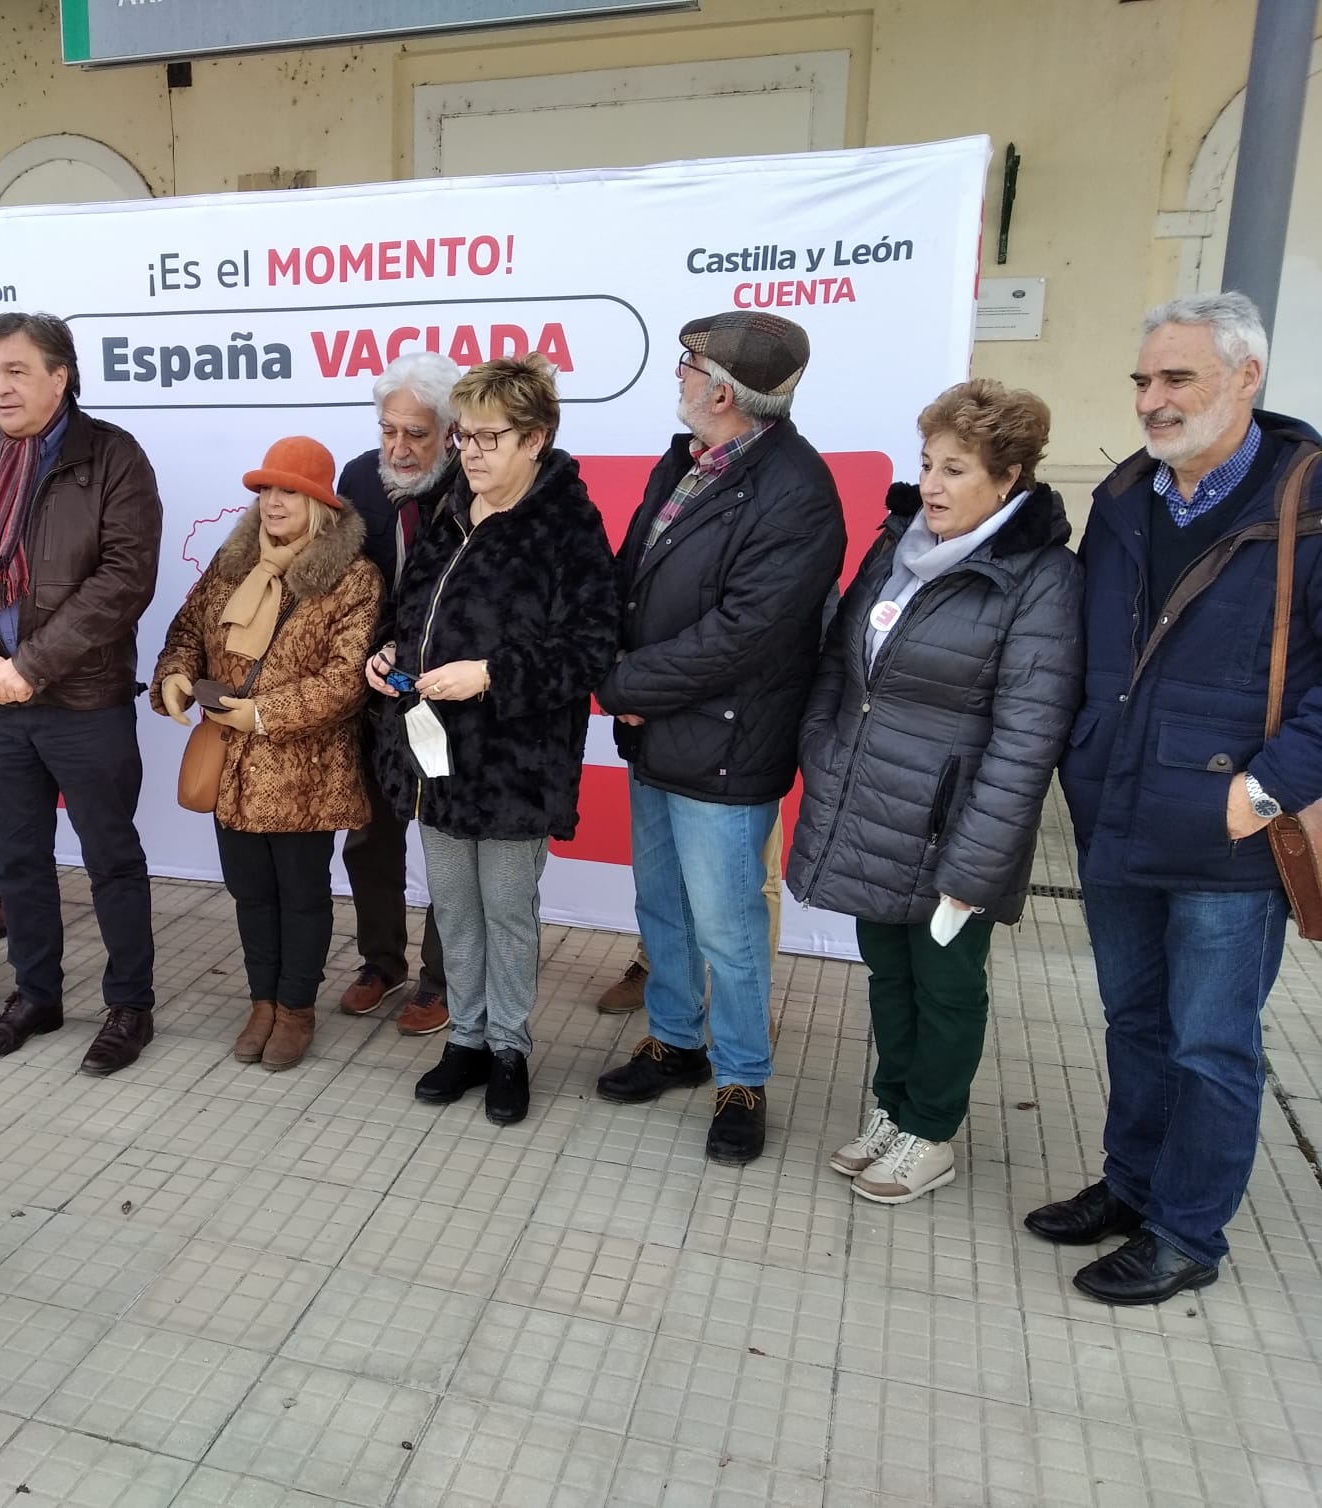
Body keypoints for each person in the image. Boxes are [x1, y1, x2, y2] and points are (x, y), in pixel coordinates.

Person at [1034, 291, 1322, 1304]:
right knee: (1134, 1017)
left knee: (1211, 1037)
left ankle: (1187, 1228)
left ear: (1246, 378)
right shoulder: (1127, 498)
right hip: (1118, 804)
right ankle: (1131, 1183)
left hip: (1227, 827)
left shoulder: (1308, 503)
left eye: (1178, 379)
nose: (1154, 400)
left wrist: (1271, 786)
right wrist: (1077, 750)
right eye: (1143, 381)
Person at [789, 380, 1082, 1204]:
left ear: (1009, 477)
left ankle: (932, 1130)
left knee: (947, 984)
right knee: (888, 971)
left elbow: (1030, 735)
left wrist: (980, 853)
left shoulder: (1042, 578)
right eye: (928, 464)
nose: (933, 485)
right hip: (872, 805)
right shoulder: (899, 544)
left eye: (956, 469)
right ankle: (895, 1108)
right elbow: (840, 662)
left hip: (955, 823)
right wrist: (824, 743)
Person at [594, 311, 845, 1165]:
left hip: (727, 744)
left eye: (688, 365)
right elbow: (634, 582)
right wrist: (615, 666)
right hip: (660, 730)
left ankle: (741, 1077)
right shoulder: (689, 464)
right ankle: (675, 1040)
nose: (678, 377)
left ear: (725, 390)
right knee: (660, 905)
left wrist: (624, 685)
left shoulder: (798, 492)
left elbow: (745, 635)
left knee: (729, 928)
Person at [367, 354, 619, 1127]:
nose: (470, 451)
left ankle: (508, 1047)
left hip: (515, 760)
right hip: (435, 753)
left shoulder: (566, 526)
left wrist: (492, 675)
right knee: (454, 907)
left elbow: (591, 647)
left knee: (506, 908)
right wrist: (387, 655)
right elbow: (414, 615)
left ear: (536, 437)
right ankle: (466, 1041)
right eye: (465, 437)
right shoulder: (448, 512)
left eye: (489, 437)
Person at [0, 311, 164, 1077]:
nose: (0, 387)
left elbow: (125, 578)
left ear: (61, 376)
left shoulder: (113, 457)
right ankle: (35, 994)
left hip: (82, 700)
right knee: (17, 860)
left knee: (111, 859)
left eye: (17, 371)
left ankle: (129, 1004)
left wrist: (32, 663)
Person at [152, 438, 383, 1070]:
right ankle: (262, 1002)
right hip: (232, 767)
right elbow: (185, 635)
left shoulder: (353, 579)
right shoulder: (232, 565)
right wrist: (175, 677)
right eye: (266, 491)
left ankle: (296, 1009)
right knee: (249, 891)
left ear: (321, 505)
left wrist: (263, 713)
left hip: (303, 771)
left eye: (289, 491)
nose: (274, 502)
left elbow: (345, 680)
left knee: (302, 895)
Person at [334, 352, 457, 1034]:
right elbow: (347, 584)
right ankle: (381, 961)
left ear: (450, 431)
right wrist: (371, 649)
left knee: (446, 840)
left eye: (416, 433)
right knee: (370, 836)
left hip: (448, 694)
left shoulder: (475, 482)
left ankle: (442, 978)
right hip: (374, 694)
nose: (399, 448)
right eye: (389, 430)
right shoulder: (357, 478)